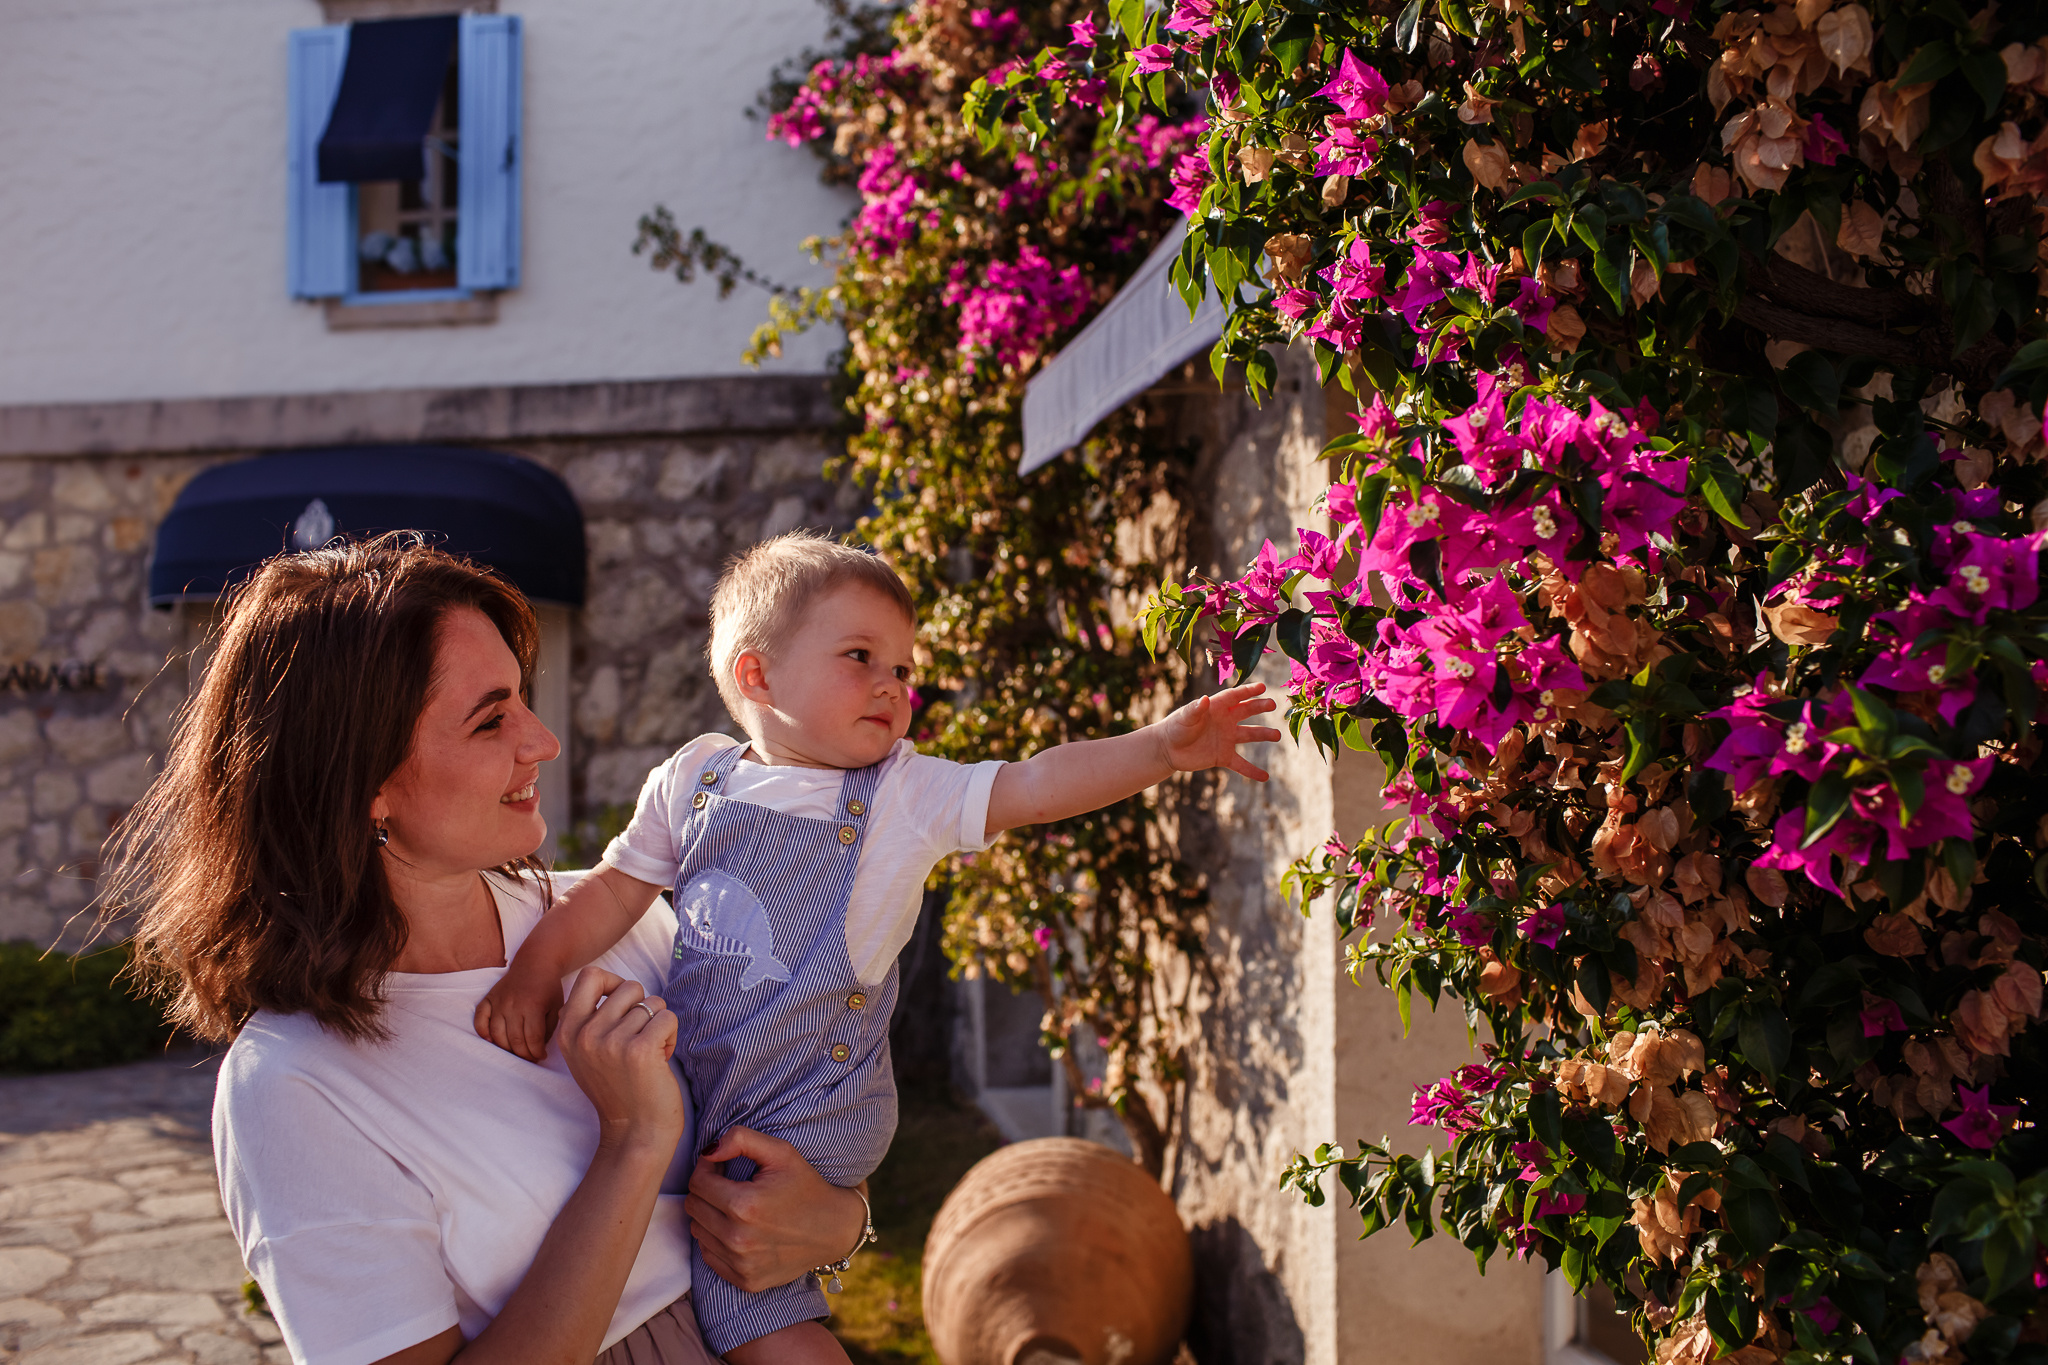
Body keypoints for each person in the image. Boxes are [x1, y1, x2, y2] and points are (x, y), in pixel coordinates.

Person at [476, 531, 1280, 1365]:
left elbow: (1036, 783)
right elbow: (611, 888)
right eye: (861, 656)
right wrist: (535, 970)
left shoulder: (902, 792)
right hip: (719, 1088)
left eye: (902, 668)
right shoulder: (696, 777)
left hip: (808, 1101)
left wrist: (1158, 748)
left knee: (747, 1306)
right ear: (756, 675)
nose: (893, 687)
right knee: (717, 1269)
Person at [103, 535, 869, 1365]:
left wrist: (841, 1220)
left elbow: (800, 1124)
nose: (542, 741)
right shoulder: (294, 1084)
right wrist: (633, 1140)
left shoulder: (611, 922)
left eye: (523, 698)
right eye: (490, 716)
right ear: (365, 781)